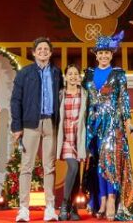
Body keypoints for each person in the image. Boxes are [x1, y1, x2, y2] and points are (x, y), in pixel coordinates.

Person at [83, 31, 133, 221]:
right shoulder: (88, 75)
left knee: (111, 163)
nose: (103, 56)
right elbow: (83, 100)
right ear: (96, 54)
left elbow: (124, 100)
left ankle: (111, 199)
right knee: (97, 164)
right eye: (100, 53)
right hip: (93, 126)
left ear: (111, 54)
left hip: (113, 124)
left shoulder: (118, 75)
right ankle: (100, 199)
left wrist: (128, 122)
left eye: (107, 53)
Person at [11, 37, 64, 223]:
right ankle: (23, 209)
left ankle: (50, 207)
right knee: (27, 167)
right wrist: (16, 126)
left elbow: (62, 98)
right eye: (39, 49)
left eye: (46, 49)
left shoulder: (57, 73)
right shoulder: (25, 73)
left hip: (50, 123)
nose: (43, 51)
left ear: (50, 53)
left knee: (49, 167)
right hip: (30, 125)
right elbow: (15, 100)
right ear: (34, 53)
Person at [56, 64, 87, 221]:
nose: (73, 76)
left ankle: (73, 208)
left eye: (76, 74)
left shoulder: (85, 94)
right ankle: (65, 203)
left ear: (79, 77)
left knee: (77, 174)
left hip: (79, 138)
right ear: (65, 76)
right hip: (66, 138)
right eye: (70, 74)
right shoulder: (61, 94)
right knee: (73, 167)